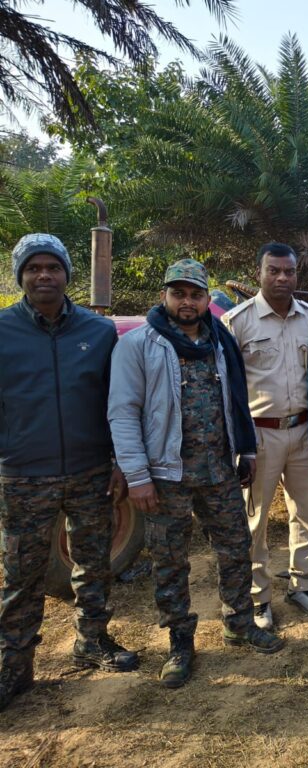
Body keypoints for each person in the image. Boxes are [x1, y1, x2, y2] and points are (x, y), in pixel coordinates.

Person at [108, 259, 284, 689]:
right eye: (178, 293)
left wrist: (245, 449)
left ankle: (239, 623)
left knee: (236, 548)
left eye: (195, 294)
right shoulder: (140, 345)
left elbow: (238, 399)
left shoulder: (219, 341)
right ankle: (180, 643)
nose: (187, 301)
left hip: (219, 469)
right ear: (164, 296)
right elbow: (123, 412)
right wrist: (137, 476)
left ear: (207, 299)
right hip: (166, 475)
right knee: (170, 561)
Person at [1, 234, 138, 712]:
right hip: (23, 475)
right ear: (21, 276)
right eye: (34, 268)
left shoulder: (98, 332)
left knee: (93, 563)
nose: (44, 275)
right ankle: (14, 668)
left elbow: (116, 403)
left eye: (53, 267)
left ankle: (92, 641)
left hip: (90, 470)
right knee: (22, 575)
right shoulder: (3, 330)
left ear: (66, 275)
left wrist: (120, 461)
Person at [222, 243, 308, 630]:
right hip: (259, 436)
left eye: (289, 271)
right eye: (274, 270)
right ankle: (258, 597)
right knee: (255, 520)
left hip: (303, 431)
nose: (282, 278)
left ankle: (304, 585)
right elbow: (229, 388)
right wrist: (239, 446)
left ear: (297, 275)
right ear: (259, 273)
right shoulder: (237, 323)